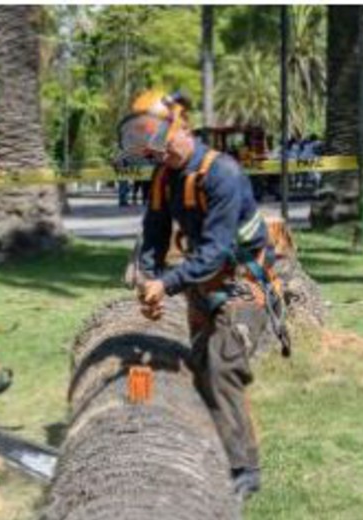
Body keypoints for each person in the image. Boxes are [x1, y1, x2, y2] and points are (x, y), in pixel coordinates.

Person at [116, 89, 288, 500]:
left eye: (158, 133)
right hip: (202, 284)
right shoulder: (163, 178)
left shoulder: (222, 173)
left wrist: (168, 284)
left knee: (222, 365)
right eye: (144, 136)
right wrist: (149, 280)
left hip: (244, 283)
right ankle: (216, 449)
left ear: (183, 127)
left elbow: (214, 251)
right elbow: (154, 234)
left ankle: (244, 469)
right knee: (198, 366)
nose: (153, 145)